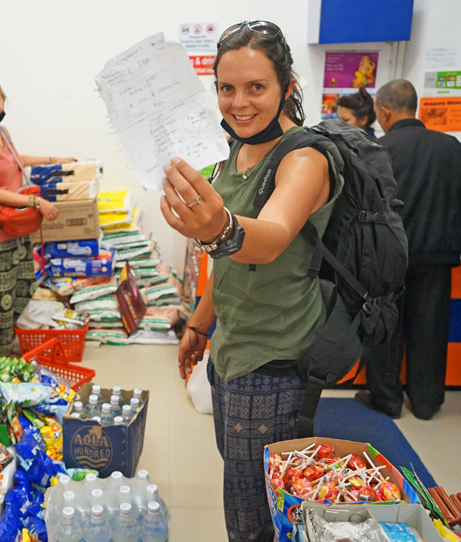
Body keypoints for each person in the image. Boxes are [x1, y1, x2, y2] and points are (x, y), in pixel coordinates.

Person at [162, 22, 342, 541]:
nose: (238, 103)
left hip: (275, 360)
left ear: (287, 86)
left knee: (254, 518)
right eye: (226, 88)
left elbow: (273, 236)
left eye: (256, 87)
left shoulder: (304, 158)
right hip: (231, 352)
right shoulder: (236, 153)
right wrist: (200, 323)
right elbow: (233, 262)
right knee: (243, 482)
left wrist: (218, 227)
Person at [356, 80, 461, 420]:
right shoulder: (451, 148)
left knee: (386, 329)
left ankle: (387, 399)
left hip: (390, 257)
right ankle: (427, 402)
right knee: (430, 331)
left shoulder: (378, 150)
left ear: (384, 111)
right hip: (437, 255)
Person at [0, 76, 75, 355]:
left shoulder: (2, 132)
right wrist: (36, 202)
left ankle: (7, 346)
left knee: (24, 285)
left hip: (16, 224)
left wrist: (54, 160)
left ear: (3, 100)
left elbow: (15, 159)